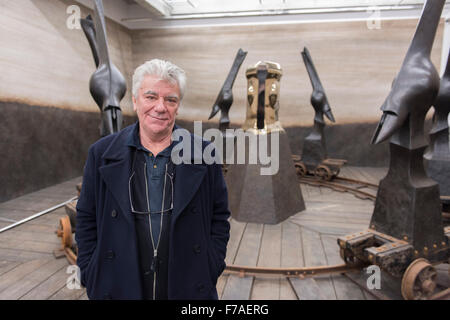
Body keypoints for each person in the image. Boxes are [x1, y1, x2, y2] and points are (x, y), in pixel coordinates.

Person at [75, 59, 231, 300]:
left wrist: (210, 264)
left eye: (171, 99)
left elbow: (219, 216)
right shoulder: (101, 153)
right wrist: (91, 270)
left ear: (178, 106)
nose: (161, 107)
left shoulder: (203, 153)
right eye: (151, 97)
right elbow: (86, 216)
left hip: (187, 284)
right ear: (135, 100)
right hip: (118, 283)